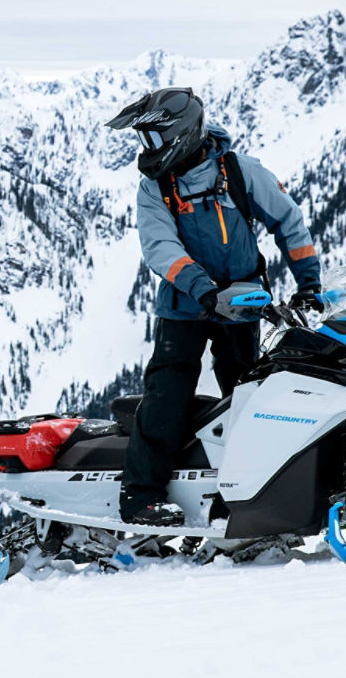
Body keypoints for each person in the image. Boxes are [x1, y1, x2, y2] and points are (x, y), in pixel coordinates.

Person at [105, 88, 324, 526]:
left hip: (242, 304)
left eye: (153, 139)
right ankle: (140, 496)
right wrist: (205, 292)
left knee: (248, 400)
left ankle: (242, 494)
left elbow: (289, 221)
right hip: (185, 306)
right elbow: (160, 247)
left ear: (182, 134)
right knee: (167, 396)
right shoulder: (155, 188)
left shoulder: (241, 173)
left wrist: (310, 286)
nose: (148, 150)